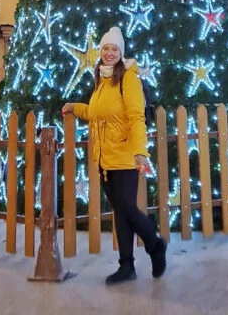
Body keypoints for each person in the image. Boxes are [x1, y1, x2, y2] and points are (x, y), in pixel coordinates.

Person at [62, 26, 167, 285]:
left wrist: (141, 152)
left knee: (128, 209)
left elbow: (136, 117)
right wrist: (76, 107)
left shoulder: (128, 79)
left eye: (114, 49)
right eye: (106, 48)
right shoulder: (102, 79)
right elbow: (98, 113)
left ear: (121, 52)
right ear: (101, 51)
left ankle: (155, 245)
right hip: (104, 159)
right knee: (120, 212)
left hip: (125, 156)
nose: (109, 53)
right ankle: (126, 266)